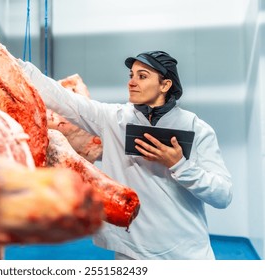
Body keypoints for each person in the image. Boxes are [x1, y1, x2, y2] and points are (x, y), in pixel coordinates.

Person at [17, 50, 233, 260]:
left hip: (185, 254)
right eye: (131, 75)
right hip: (131, 254)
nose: (132, 82)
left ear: (165, 85)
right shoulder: (113, 119)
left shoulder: (197, 129)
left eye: (142, 76)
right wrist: (17, 65)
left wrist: (179, 165)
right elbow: (64, 99)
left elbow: (222, 195)